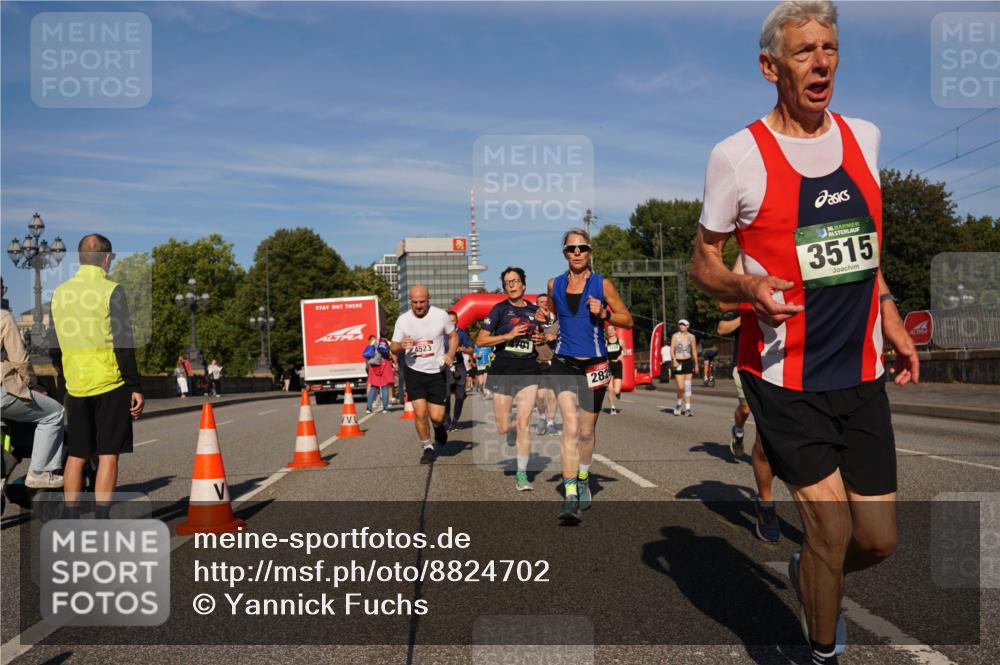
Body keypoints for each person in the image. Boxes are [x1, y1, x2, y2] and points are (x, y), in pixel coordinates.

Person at [690, 3, 918, 662]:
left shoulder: (865, 138)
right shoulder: (737, 156)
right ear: (771, 66)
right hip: (783, 377)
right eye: (803, 51)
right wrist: (745, 286)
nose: (821, 62)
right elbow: (702, 260)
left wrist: (891, 311)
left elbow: (863, 248)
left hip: (861, 372)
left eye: (830, 48)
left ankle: (808, 573)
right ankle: (821, 651)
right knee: (831, 525)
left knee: (876, 539)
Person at [537, 229, 632, 522]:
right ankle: (569, 498)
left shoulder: (602, 284)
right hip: (565, 362)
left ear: (590, 251)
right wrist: (545, 323)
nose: (576, 253)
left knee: (587, 431)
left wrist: (604, 314)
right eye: (571, 248)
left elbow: (626, 319)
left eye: (582, 248)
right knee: (569, 429)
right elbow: (553, 319)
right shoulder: (554, 284)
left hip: (595, 364)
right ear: (564, 252)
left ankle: (582, 477)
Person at [51, 234, 144, 518]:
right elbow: (123, 341)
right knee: (107, 454)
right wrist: (134, 386)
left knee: (77, 454)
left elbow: (54, 344)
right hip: (109, 382)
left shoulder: (60, 293)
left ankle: (70, 515)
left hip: (76, 386)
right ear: (106, 258)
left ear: (80, 258)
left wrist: (66, 374)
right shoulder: (111, 290)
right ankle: (102, 516)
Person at [717, 259, 780, 543]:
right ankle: (766, 504)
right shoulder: (751, 256)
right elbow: (721, 318)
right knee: (751, 415)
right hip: (752, 364)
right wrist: (749, 311)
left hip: (799, 359)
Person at [476, 267, 545, 491]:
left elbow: (548, 337)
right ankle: (511, 430)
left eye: (515, 281)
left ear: (523, 285)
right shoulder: (499, 310)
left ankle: (522, 474)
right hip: (504, 368)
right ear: (505, 288)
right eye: (507, 282)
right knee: (504, 427)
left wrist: (541, 337)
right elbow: (481, 341)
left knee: (525, 422)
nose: (512, 285)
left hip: (528, 368)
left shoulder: (536, 311)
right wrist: (508, 335)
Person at [1, 278, 65, 489]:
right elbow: (20, 360)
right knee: (54, 413)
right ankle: (39, 471)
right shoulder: (4, 317)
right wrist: (31, 383)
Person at [390, 285, 457, 464]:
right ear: (410, 301)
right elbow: (393, 348)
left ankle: (438, 427)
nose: (419, 306)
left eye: (422, 302)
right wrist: (401, 345)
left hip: (436, 371)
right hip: (414, 372)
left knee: (437, 416)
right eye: (415, 302)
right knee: (420, 413)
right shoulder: (403, 320)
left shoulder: (440, 315)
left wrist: (450, 354)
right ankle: (427, 446)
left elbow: (453, 336)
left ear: (429, 299)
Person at [533, 293, 559, 436]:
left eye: (545, 302)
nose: (543, 304)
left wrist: (555, 337)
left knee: (552, 395)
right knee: (540, 395)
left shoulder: (558, 322)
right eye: (540, 302)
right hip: (537, 362)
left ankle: (551, 422)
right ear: (537, 305)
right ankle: (542, 417)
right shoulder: (533, 322)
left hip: (553, 361)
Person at [446, 311, 474, 430]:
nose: (451, 323)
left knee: (460, 396)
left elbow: (471, 350)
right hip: (445, 367)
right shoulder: (441, 334)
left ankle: (455, 420)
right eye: (449, 321)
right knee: (446, 395)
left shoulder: (462, 334)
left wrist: (462, 349)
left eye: (453, 321)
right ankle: (447, 419)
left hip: (459, 366)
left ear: (457, 321)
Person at [670, 320, 699, 416]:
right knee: (681, 387)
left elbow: (694, 351)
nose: (681, 326)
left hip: (688, 362)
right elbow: (671, 349)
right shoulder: (675, 336)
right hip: (678, 362)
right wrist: (674, 360)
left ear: (687, 326)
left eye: (683, 325)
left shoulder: (692, 337)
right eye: (680, 324)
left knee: (687, 387)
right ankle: (678, 404)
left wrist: (696, 364)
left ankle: (687, 408)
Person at [363, 335, 393, 414]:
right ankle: (385, 408)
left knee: (373, 387)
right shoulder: (388, 343)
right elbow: (391, 355)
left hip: (374, 366)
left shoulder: (373, 342)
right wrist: (395, 364)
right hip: (385, 365)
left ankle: (368, 408)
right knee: (385, 387)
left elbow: (367, 355)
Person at [605, 324, 624, 415]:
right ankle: (612, 408)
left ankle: (618, 393)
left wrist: (622, 355)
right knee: (610, 389)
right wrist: (605, 360)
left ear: (615, 331)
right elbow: (602, 354)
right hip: (608, 365)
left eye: (612, 329)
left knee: (616, 390)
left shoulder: (620, 341)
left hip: (618, 366)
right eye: (608, 330)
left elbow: (626, 351)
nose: (610, 331)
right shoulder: (605, 342)